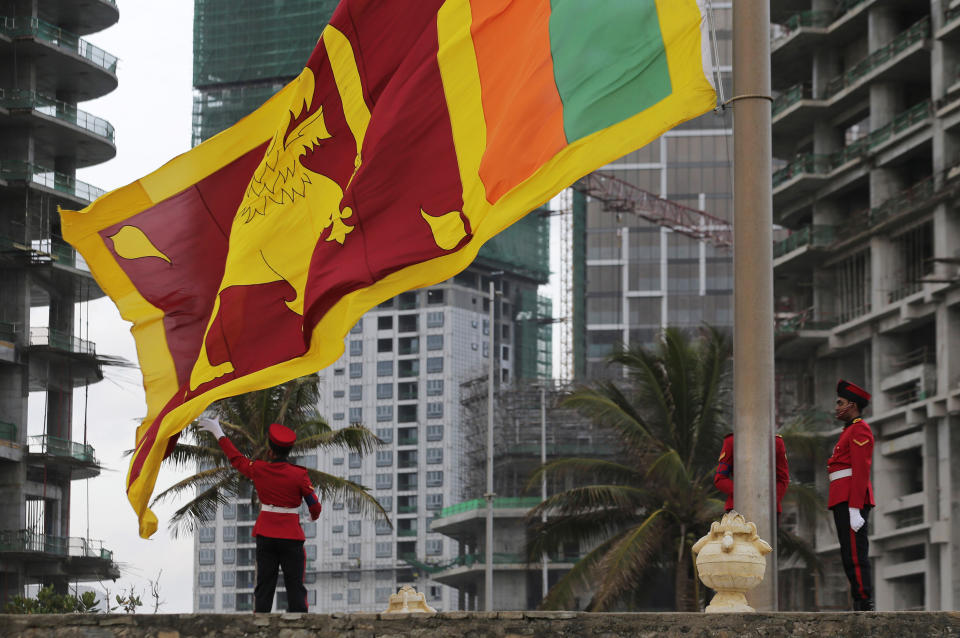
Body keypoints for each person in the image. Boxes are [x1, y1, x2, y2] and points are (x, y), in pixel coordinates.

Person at [199, 417, 322, 613]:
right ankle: (300, 624)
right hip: (291, 535)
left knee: (265, 584)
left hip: (266, 534)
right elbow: (315, 505)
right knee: (295, 585)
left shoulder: (259, 469)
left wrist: (219, 433)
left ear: (270, 451)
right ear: (288, 451)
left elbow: (236, 459)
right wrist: (312, 517)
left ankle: (261, 623)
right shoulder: (299, 474)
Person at [828, 379, 875, 612]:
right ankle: (859, 598)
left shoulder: (860, 430)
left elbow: (861, 470)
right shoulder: (849, 431)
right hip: (841, 497)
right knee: (848, 553)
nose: (836, 407)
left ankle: (864, 600)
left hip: (850, 499)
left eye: (840, 402)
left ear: (852, 405)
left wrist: (856, 507)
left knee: (856, 553)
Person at [714, 432, 790, 517]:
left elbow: (783, 479)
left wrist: (769, 500)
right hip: (738, 506)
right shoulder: (732, 441)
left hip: (768, 508)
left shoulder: (776, 442)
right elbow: (720, 479)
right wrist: (744, 493)